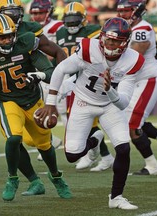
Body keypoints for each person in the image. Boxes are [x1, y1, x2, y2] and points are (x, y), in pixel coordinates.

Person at [0, 14, 72, 201]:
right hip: (7, 102)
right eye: (2, 37)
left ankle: (56, 176)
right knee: (13, 138)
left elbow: (51, 72)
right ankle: (12, 179)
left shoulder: (25, 44)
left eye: (10, 35)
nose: (8, 40)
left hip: (33, 101)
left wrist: (39, 75)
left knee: (45, 145)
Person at [38, 17, 145, 210]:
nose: (111, 44)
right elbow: (61, 69)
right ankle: (95, 141)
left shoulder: (133, 60)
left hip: (110, 105)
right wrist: (51, 102)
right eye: (109, 39)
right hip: (82, 101)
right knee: (72, 155)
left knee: (123, 148)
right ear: (102, 37)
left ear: (126, 42)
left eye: (117, 41)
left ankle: (116, 197)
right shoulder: (89, 48)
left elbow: (123, 103)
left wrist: (109, 90)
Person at [0, 0, 68, 162]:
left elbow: (56, 51)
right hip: (5, 88)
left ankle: (52, 143)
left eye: (16, 12)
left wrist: (58, 77)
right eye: (8, 12)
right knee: (16, 135)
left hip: (29, 84)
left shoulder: (29, 30)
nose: (14, 16)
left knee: (36, 132)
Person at [116, 0, 157, 175]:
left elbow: (135, 56)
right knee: (132, 120)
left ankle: (152, 166)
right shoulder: (128, 29)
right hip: (136, 82)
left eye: (127, 11)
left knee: (132, 124)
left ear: (137, 12)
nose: (122, 15)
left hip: (148, 81)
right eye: (120, 11)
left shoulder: (142, 29)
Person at [55, 1, 115, 171]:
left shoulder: (93, 31)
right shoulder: (60, 32)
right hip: (71, 79)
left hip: (87, 81)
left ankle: (91, 154)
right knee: (83, 121)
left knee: (84, 120)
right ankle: (105, 156)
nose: (72, 24)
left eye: (75, 20)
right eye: (69, 20)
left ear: (83, 20)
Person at [29, 0, 64, 161]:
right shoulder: (30, 27)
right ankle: (49, 141)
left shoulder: (58, 26)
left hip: (57, 73)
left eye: (40, 13)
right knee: (43, 109)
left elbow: (58, 51)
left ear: (48, 12)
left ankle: (84, 145)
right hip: (40, 74)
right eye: (34, 13)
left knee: (64, 111)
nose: (37, 16)